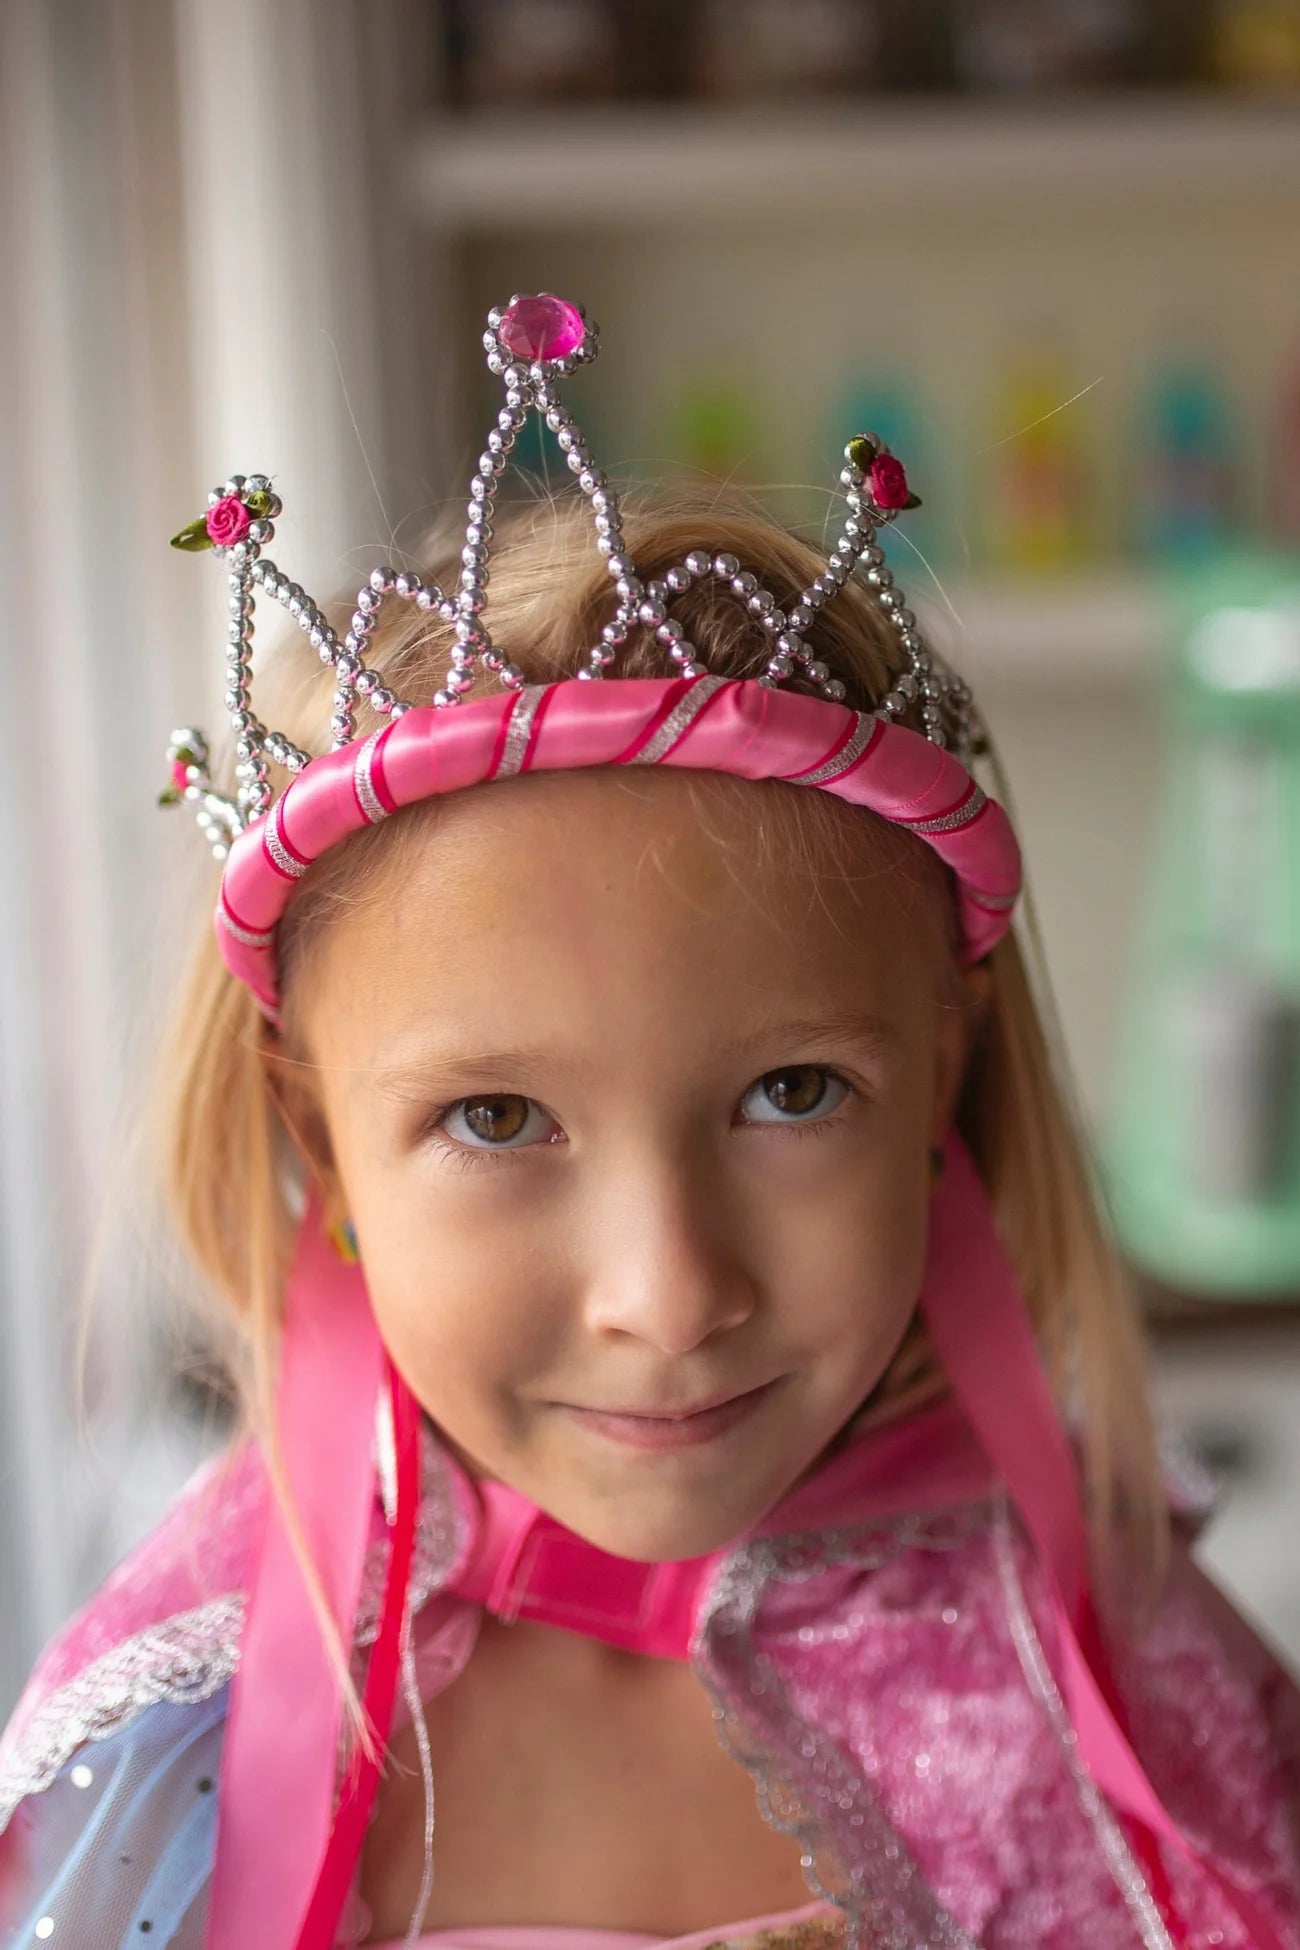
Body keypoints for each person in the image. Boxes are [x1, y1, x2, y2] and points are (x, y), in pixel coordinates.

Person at [1, 293, 1297, 1950]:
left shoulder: (1122, 1684)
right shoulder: (175, 1759)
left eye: (793, 1091)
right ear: (314, 1135)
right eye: (495, 1115)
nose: (671, 1293)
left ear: (946, 1074)